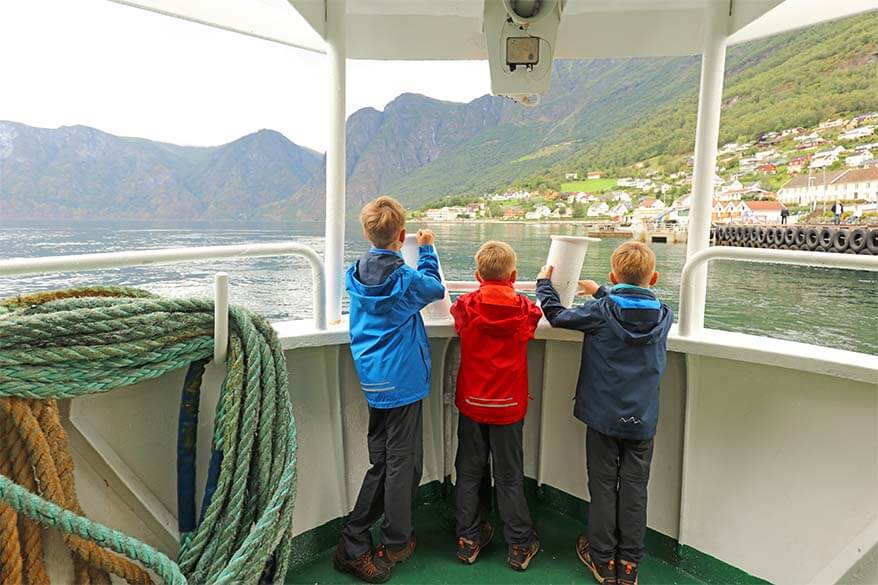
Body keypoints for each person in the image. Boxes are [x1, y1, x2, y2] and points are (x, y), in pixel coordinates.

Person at [536, 241, 673, 585]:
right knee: (634, 488)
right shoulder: (664, 314)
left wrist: (544, 286)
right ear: (653, 278)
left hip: (603, 417)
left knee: (602, 485)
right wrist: (602, 291)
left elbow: (557, 315)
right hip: (641, 419)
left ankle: (601, 558)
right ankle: (628, 565)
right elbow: (628, 305)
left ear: (613, 275)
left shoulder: (601, 312)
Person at [334, 196, 446, 583]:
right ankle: (393, 541)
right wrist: (427, 250)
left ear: (367, 233)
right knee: (401, 466)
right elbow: (434, 289)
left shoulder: (356, 273)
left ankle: (356, 538)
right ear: (402, 235)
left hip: (374, 380)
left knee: (385, 461)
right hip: (403, 382)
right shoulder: (405, 278)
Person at [450, 240, 543, 571]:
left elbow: (457, 315)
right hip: (508, 407)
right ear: (514, 275)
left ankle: (468, 539)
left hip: (473, 404)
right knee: (509, 475)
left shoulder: (466, 305)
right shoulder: (525, 310)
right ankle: (519, 543)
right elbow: (536, 316)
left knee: (469, 470)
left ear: (477, 275)